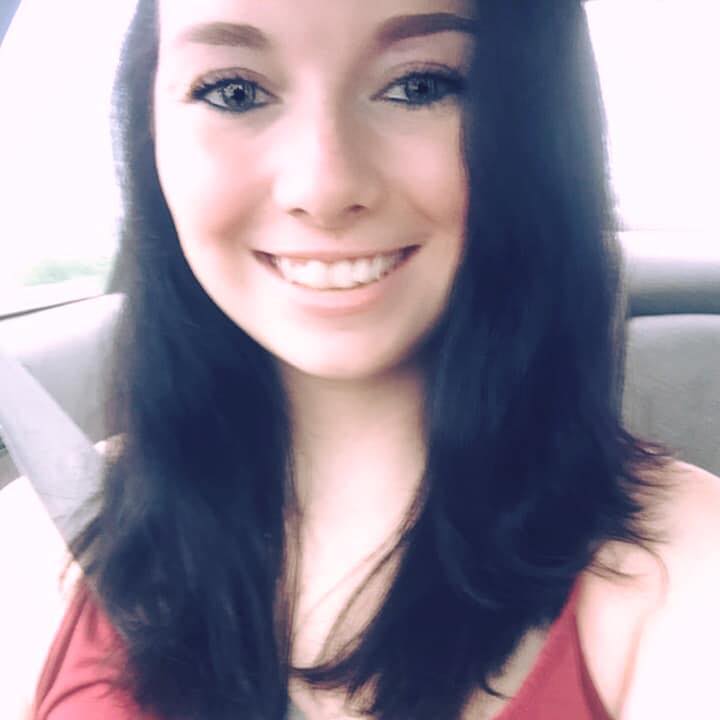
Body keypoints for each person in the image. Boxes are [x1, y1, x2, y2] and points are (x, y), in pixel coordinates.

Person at [29, 1, 720, 718]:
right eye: (234, 91)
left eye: (420, 86)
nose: (323, 188)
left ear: (536, 124)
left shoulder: (689, 569)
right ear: (151, 134)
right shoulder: (41, 536)